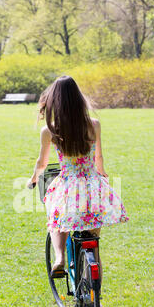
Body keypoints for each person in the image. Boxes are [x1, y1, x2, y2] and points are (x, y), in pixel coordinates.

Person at [27, 75, 129, 277]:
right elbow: (99, 157)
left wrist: (33, 179)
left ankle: (59, 258)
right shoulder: (94, 124)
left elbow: (42, 163)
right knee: (93, 240)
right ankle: (95, 282)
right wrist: (102, 174)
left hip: (67, 185)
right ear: (79, 99)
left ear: (55, 101)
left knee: (56, 218)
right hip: (92, 185)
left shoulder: (49, 130)